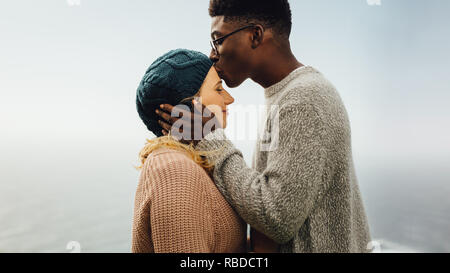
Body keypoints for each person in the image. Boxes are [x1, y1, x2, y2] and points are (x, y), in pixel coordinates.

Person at [156, 0, 371, 253]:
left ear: (255, 35)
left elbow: (276, 218)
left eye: (218, 40)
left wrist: (209, 138)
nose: (212, 54)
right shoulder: (286, 96)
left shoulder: (304, 99)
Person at [132, 49, 247, 253]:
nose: (229, 99)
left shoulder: (197, 162)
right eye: (219, 89)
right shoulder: (173, 171)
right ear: (188, 106)